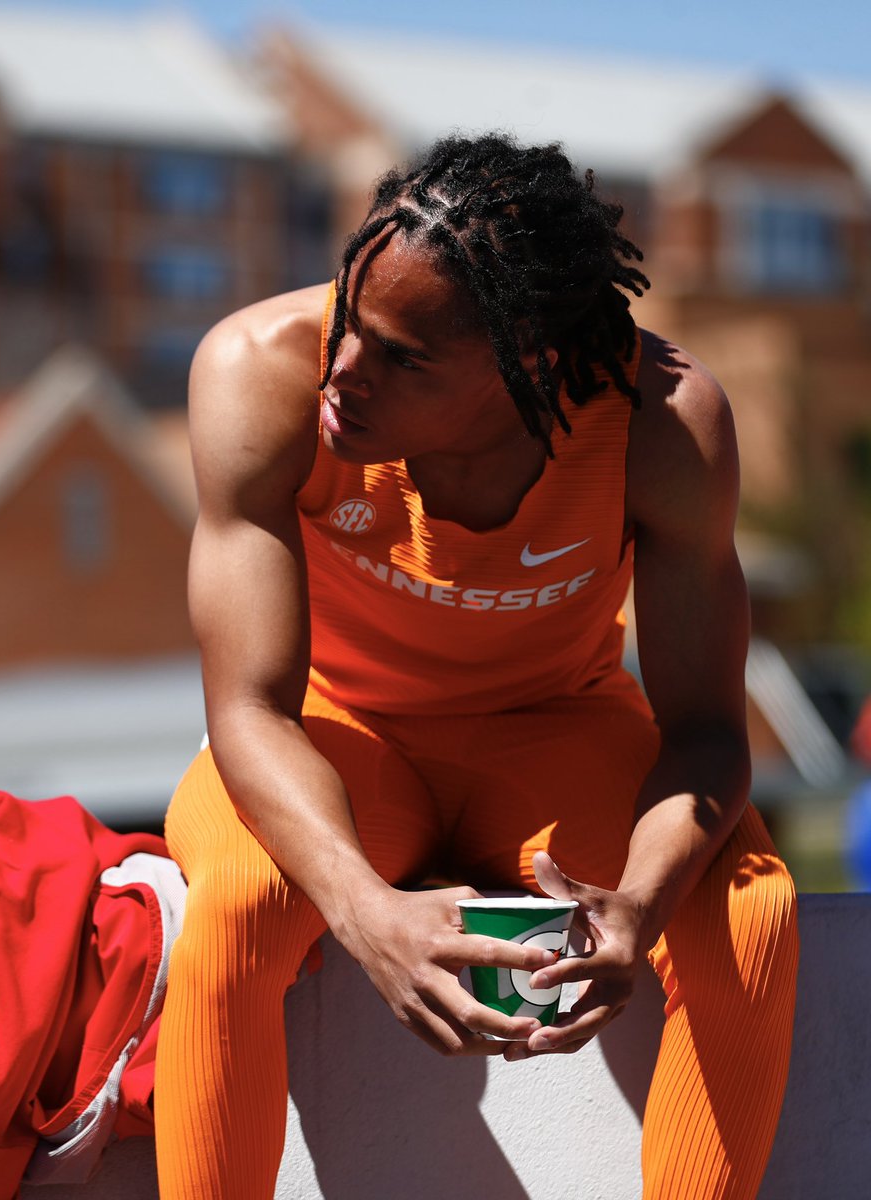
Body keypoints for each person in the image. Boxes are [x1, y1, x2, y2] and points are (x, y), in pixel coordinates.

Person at [154, 133, 799, 1199]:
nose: (342, 375)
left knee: (749, 916)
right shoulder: (258, 372)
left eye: (401, 357)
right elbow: (252, 711)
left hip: (557, 729)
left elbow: (706, 735)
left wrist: (637, 904)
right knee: (233, 914)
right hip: (337, 733)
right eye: (349, 325)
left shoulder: (662, 426)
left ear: (529, 362)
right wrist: (365, 913)